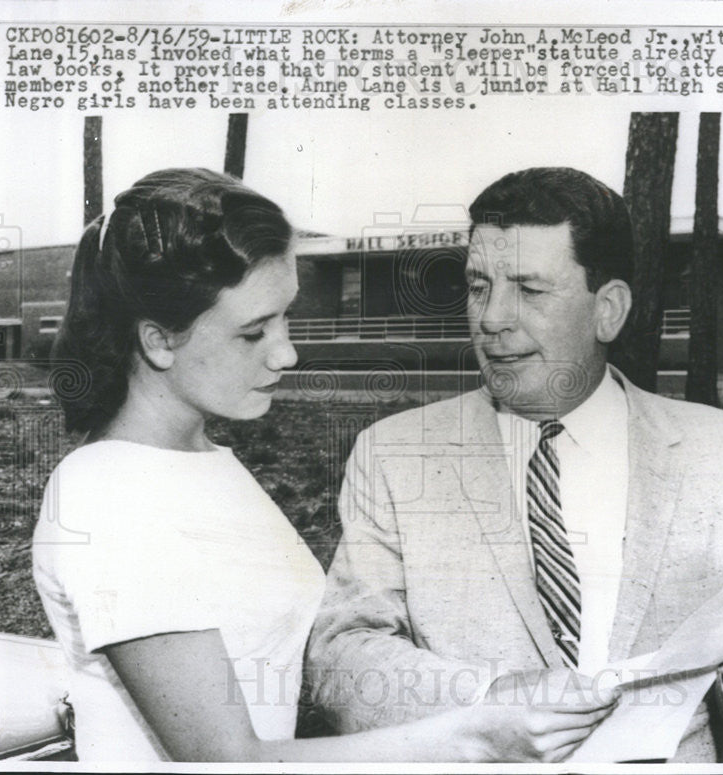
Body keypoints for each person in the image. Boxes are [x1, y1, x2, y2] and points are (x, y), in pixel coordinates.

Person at [31, 168, 620, 762]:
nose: (286, 353)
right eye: (253, 333)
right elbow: (227, 761)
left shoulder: (205, 463)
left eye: (286, 317)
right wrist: (474, 735)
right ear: (159, 340)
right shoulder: (112, 495)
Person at [306, 167, 723, 762]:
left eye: (529, 290)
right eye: (479, 286)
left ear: (608, 310)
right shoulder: (395, 456)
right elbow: (341, 655)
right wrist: (489, 702)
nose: (491, 318)